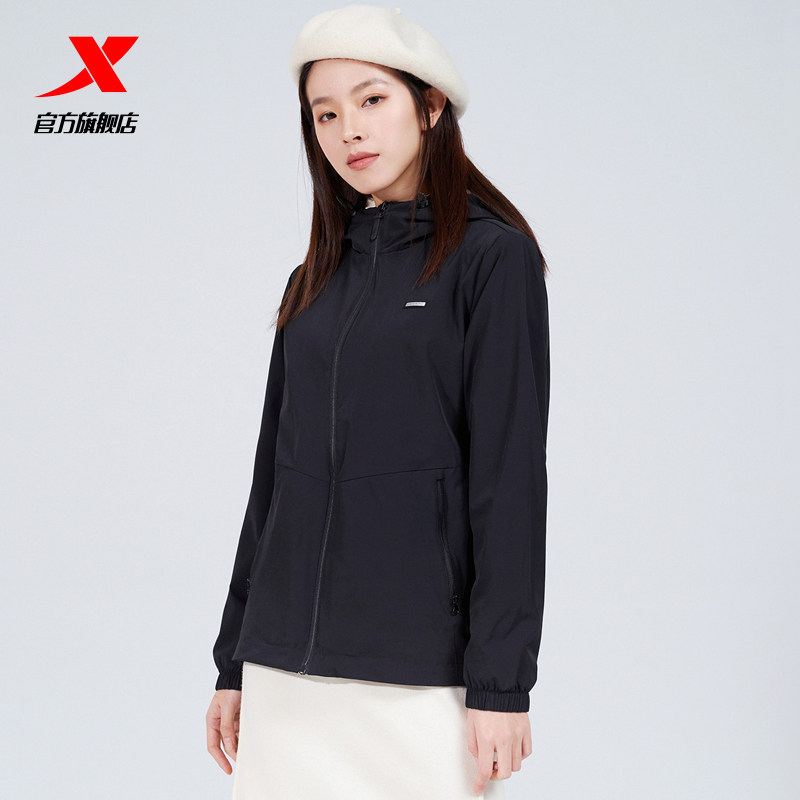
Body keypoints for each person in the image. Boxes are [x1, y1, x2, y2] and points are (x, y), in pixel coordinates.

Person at [205, 5, 550, 798]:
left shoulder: (491, 262)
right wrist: (233, 660)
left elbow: (508, 482)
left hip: (419, 674)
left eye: (371, 100)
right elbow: (273, 483)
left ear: (429, 106)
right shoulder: (313, 281)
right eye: (325, 113)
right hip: (285, 670)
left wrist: (501, 685)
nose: (348, 130)